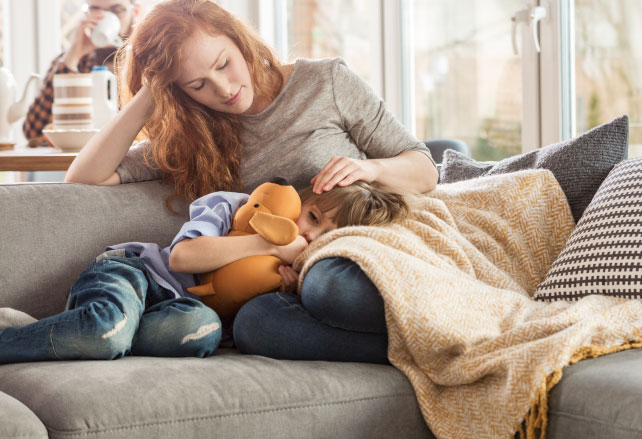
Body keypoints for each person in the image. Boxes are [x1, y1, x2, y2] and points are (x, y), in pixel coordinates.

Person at [63, 0, 438, 363]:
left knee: (330, 287)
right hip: (282, 282)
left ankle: (422, 340)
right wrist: (150, 92)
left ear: (238, 40)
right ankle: (411, 351)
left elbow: (425, 170)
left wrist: (371, 169)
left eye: (224, 64)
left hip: (354, 255)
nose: (224, 89)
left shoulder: (326, 82)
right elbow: (84, 177)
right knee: (255, 326)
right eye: (198, 84)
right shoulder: (194, 136)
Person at [0, 180, 409, 364]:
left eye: (323, 236)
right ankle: (24, 336)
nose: (306, 232)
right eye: (314, 215)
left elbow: (252, 316)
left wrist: (288, 286)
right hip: (135, 274)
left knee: (201, 332)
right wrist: (266, 242)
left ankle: (81, 331)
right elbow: (182, 259)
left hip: (177, 316)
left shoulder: (301, 276)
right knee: (104, 330)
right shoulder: (238, 208)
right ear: (302, 197)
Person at [23, 0, 143, 145]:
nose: (104, 17)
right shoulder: (73, 61)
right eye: (95, 9)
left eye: (116, 10)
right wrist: (73, 55)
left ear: (135, 11)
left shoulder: (150, 61)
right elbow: (33, 131)